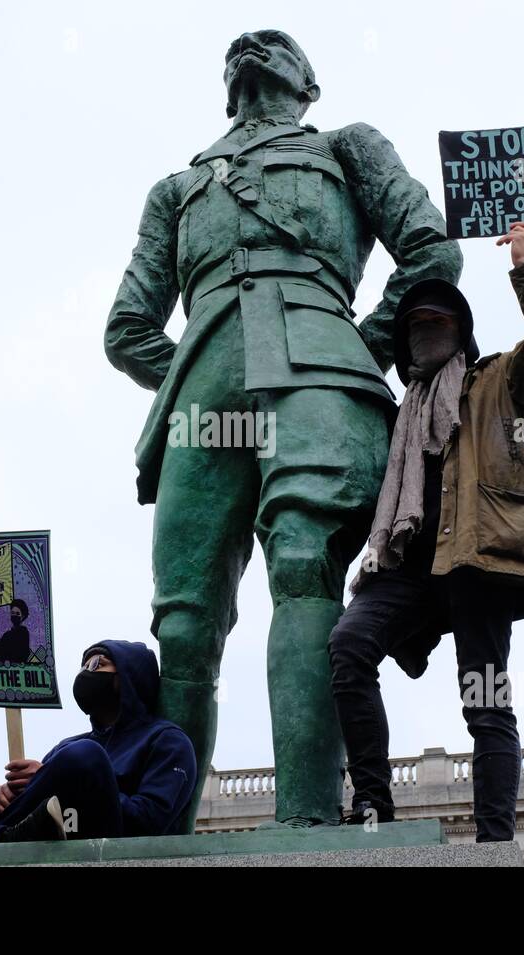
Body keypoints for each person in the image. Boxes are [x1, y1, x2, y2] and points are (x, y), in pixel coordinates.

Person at [104, 28, 462, 830]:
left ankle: (305, 820)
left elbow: (431, 251)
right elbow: (127, 326)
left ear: (310, 82)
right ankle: (164, 830)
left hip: (321, 372)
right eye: (239, 49)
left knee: (304, 567)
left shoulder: (347, 147)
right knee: (185, 620)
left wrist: (352, 350)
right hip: (205, 398)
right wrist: (199, 376)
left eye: (277, 46)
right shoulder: (176, 189)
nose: (253, 48)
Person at [328, 221, 524, 842]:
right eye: (415, 325)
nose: (424, 332)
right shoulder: (400, 415)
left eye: (437, 322)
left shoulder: (497, 382)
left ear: (460, 333)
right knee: (348, 647)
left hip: (478, 565)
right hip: (409, 569)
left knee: (486, 704)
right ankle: (372, 806)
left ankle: (495, 841)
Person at [0, 640, 197, 845]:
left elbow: (149, 821)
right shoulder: (67, 745)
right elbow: (27, 803)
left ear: (130, 677)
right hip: (24, 830)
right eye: (83, 666)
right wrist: (5, 797)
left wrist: (59, 782)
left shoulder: (166, 741)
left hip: (91, 835)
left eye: (98, 665)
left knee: (85, 757)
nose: (87, 672)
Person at [0, 599, 30, 664]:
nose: (14, 616)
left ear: (23, 616)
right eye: (12, 613)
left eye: (17, 613)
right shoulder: (7, 634)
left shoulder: (23, 633)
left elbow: (22, 655)